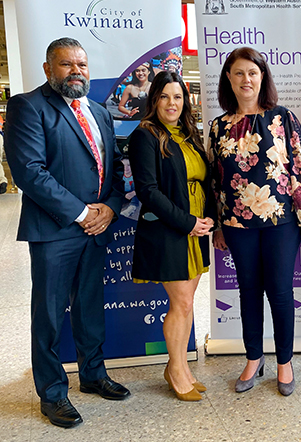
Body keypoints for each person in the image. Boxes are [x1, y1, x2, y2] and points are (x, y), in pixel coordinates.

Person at [4, 37, 130, 428]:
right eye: (66, 64)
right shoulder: (28, 107)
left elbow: (113, 169)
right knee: (49, 314)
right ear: (48, 69)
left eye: (82, 65)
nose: (76, 71)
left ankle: (92, 375)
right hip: (55, 231)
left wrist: (109, 207)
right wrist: (81, 213)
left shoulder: (99, 111)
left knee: (90, 306)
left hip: (97, 227)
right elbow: (30, 171)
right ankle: (53, 392)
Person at [209, 47, 301, 397]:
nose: (246, 79)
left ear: (262, 77)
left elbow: (300, 169)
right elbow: (215, 180)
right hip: (237, 226)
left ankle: (285, 362)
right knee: (248, 292)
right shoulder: (218, 127)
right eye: (239, 73)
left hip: (281, 223)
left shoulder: (282, 118)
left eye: (252, 73)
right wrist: (219, 227)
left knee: (281, 292)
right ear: (229, 78)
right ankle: (254, 358)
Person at [128, 71, 216, 402]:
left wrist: (207, 221)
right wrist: (187, 222)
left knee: (186, 303)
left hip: (195, 228)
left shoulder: (189, 135)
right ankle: (177, 371)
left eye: (177, 96)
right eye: (164, 96)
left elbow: (204, 181)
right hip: (170, 229)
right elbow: (147, 191)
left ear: (185, 101)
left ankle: (178, 367)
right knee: (180, 303)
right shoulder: (145, 136)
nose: (171, 103)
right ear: (154, 100)